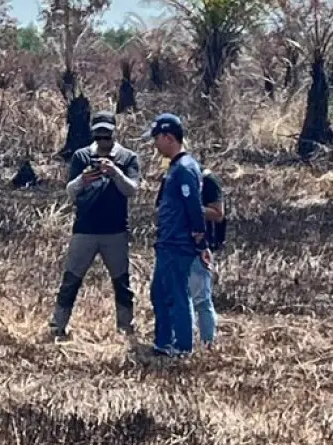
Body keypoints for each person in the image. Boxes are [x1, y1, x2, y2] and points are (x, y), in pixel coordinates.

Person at [49, 111, 141, 340]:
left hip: (116, 232)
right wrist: (83, 179)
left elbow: (132, 189)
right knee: (71, 280)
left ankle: (125, 328)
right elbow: (70, 191)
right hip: (84, 231)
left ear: (114, 134)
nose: (102, 142)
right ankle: (57, 326)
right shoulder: (81, 157)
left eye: (106, 136)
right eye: (98, 136)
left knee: (122, 283)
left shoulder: (128, 158)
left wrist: (115, 172)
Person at [143, 113, 211, 356]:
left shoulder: (184, 169)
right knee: (159, 293)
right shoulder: (174, 166)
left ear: (169, 137)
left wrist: (200, 240)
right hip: (166, 242)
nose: (155, 144)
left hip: (177, 243)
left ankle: (182, 346)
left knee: (176, 294)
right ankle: (163, 342)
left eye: (157, 138)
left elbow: (193, 206)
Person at [157, 156, 225, 349]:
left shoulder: (208, 179)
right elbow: (160, 207)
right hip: (172, 246)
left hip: (197, 247)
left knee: (201, 299)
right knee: (174, 297)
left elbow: (219, 214)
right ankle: (173, 344)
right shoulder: (168, 178)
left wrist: (190, 207)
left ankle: (207, 346)